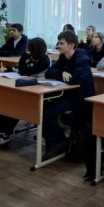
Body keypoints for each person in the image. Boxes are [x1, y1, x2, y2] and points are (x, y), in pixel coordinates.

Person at [0, 37, 52, 150]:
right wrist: (24, 63)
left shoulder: (45, 59)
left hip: (39, 88)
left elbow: (27, 71)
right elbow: (22, 70)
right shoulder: (26, 55)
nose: (26, 50)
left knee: (17, 104)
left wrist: (24, 68)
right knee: (7, 101)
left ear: (35, 50)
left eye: (29, 48)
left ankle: (5, 133)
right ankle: (2, 131)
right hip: (25, 85)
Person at [42, 30, 96, 170]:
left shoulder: (82, 58)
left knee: (46, 112)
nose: (58, 45)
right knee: (42, 107)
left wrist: (65, 74)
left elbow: (74, 80)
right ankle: (55, 141)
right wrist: (62, 72)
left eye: (61, 43)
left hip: (80, 99)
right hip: (66, 95)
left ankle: (59, 141)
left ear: (71, 45)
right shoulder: (63, 57)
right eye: (58, 43)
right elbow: (48, 73)